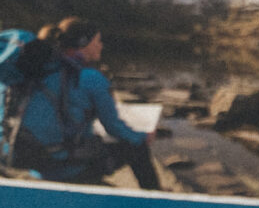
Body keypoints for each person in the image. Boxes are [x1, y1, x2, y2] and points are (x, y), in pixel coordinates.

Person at [9, 19, 163, 190]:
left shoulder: (33, 71)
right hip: (66, 164)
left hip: (33, 161)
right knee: (137, 147)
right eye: (98, 41)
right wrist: (143, 137)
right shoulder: (89, 77)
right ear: (84, 43)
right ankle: (156, 199)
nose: (101, 46)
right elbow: (113, 127)